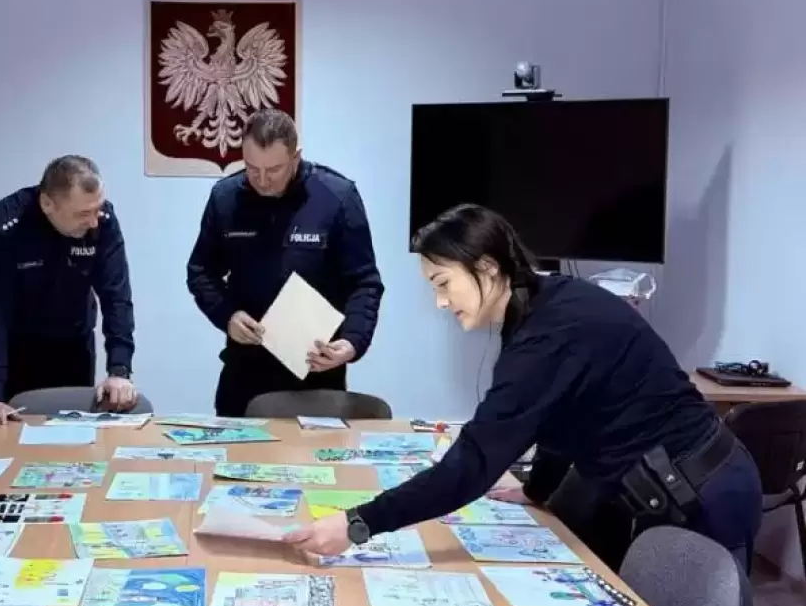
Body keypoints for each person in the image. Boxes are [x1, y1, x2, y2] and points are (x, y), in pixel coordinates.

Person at [284, 203, 763, 571]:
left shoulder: (546, 336)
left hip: (699, 492)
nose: (440, 301)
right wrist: (537, 488)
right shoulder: (542, 305)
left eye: (443, 283)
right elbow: (556, 412)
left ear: (487, 268)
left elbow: (472, 464)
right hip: (664, 484)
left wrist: (358, 523)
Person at [186, 109, 385, 417]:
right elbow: (201, 271)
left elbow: (364, 282)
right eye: (252, 168)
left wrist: (352, 341)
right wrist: (227, 315)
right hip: (245, 372)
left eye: (274, 169)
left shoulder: (337, 197)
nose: (262, 180)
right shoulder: (225, 198)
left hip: (316, 374)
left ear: (296, 157)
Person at [0, 155, 138, 426]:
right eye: (82, 214)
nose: (94, 222)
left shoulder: (103, 221)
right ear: (48, 203)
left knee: (72, 433)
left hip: (74, 344)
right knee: (11, 433)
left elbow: (116, 298)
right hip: (17, 348)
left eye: (97, 209)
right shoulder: (3, 226)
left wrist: (119, 370)